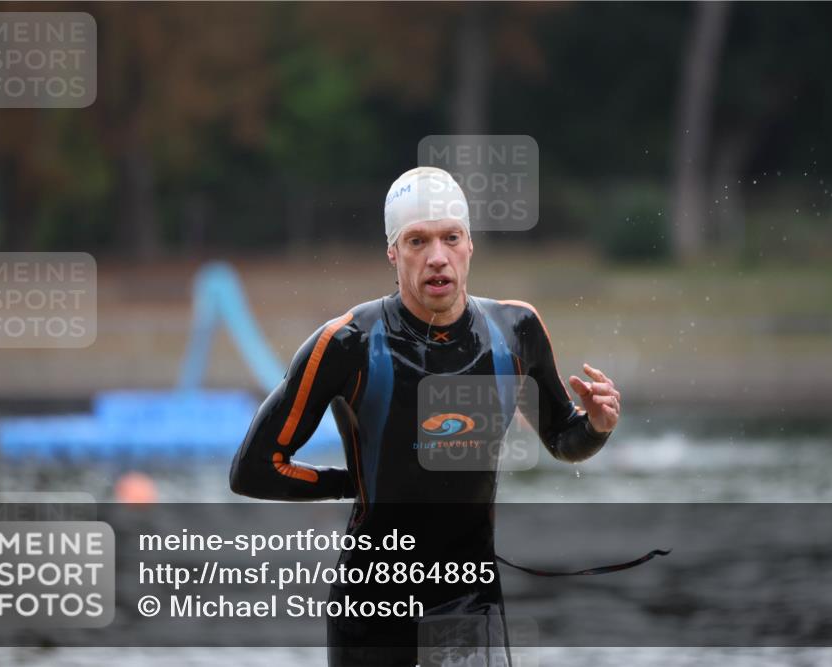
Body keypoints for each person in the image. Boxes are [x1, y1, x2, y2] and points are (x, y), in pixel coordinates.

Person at [229, 166, 621, 666]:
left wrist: (597, 427)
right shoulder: (348, 342)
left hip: (468, 600)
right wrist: (350, 484)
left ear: (469, 245)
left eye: (450, 238)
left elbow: (564, 439)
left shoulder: (514, 330)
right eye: (417, 241)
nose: (437, 256)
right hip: (372, 606)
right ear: (393, 253)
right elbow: (254, 468)